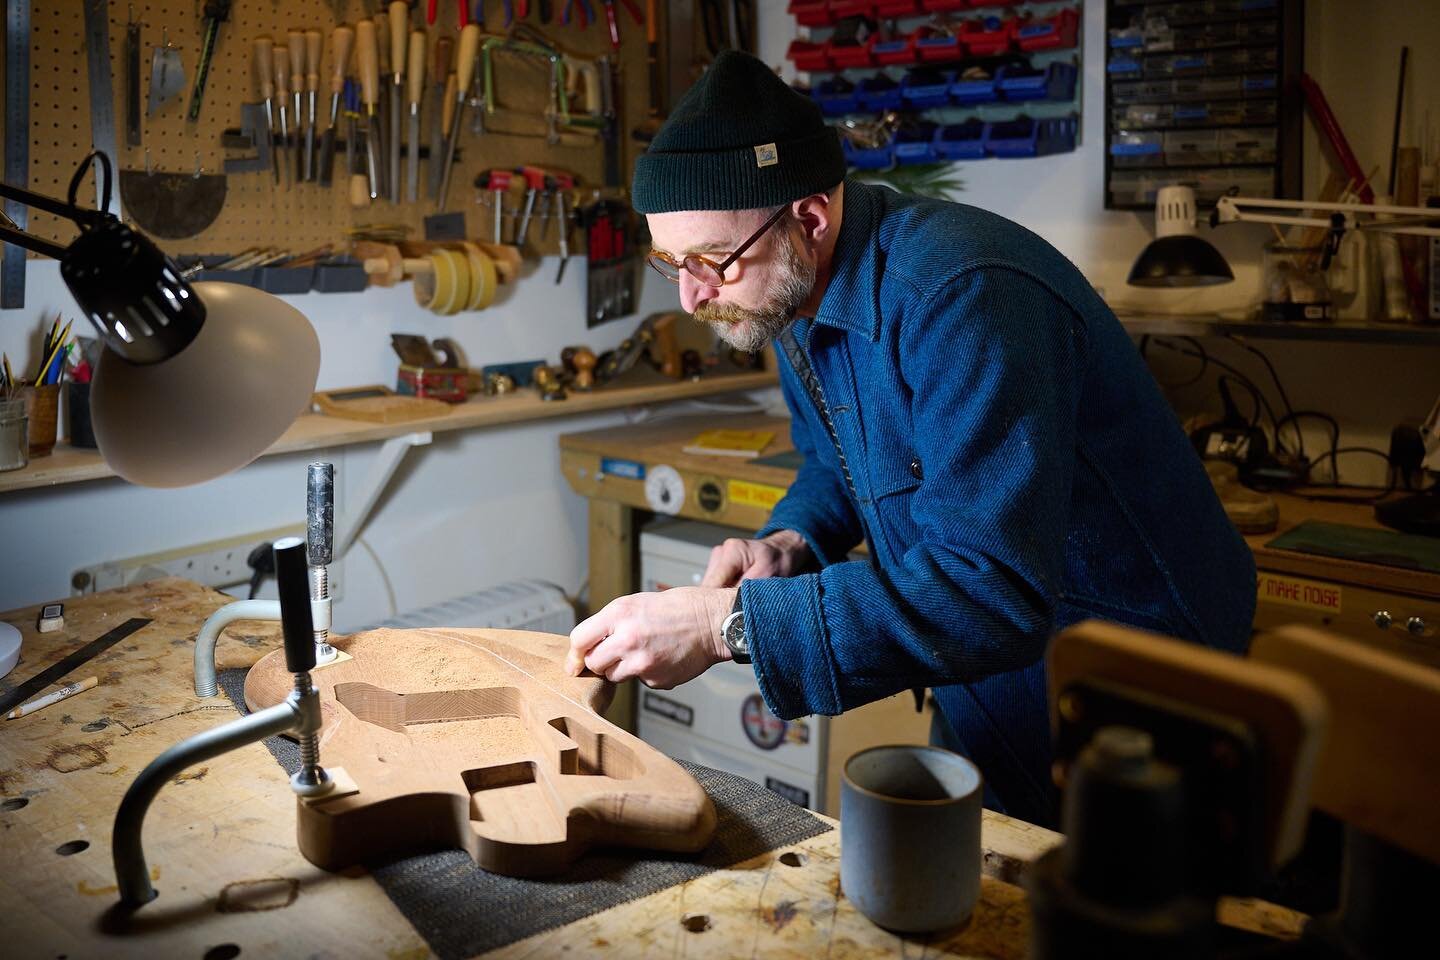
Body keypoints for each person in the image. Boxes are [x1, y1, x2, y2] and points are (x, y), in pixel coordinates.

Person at [565, 51, 1256, 827]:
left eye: (710, 262)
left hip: (1139, 685)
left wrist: (722, 626)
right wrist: (792, 543)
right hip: (983, 671)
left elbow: (989, 587)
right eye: (671, 264)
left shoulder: (963, 295)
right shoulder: (784, 293)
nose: (693, 296)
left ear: (810, 218)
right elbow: (835, 459)